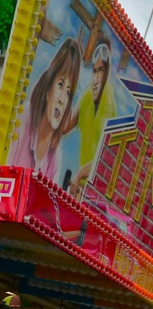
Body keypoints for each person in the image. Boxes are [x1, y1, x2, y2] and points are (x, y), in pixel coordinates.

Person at [9, 37, 81, 181]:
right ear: (49, 88)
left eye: (68, 92)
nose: (62, 99)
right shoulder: (22, 121)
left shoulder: (55, 158)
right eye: (60, 85)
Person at [60, 33, 116, 198]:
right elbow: (65, 127)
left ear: (107, 71)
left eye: (101, 71)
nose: (97, 78)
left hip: (94, 194)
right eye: (95, 71)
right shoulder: (86, 96)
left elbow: (104, 157)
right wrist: (73, 66)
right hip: (80, 189)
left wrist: (79, 175)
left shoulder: (109, 100)